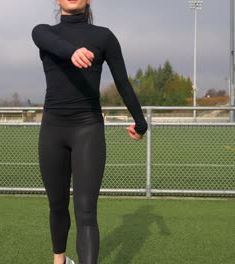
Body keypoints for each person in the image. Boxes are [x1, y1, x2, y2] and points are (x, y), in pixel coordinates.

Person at [32, 0, 147, 263]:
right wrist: (72, 52)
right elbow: (49, 42)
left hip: (88, 129)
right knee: (58, 206)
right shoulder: (43, 32)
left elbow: (123, 83)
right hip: (52, 130)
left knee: (86, 213)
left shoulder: (104, 37)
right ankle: (59, 261)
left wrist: (141, 123)